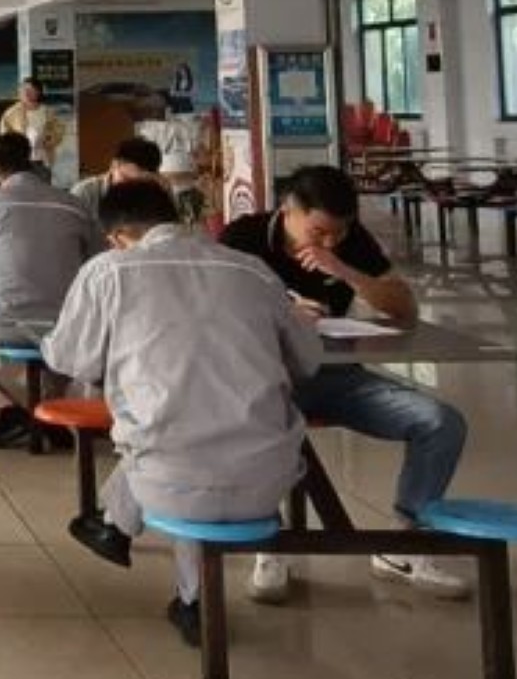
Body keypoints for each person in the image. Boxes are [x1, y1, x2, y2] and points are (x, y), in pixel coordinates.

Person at [44, 181, 321, 645]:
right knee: (191, 420)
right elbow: (307, 362)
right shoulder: (252, 270)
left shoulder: (109, 271)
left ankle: (122, 532)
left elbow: (72, 360)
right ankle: (180, 591)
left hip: (165, 480)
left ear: (116, 236)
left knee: (165, 430)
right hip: (270, 481)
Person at [220, 166, 472, 602]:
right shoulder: (243, 237)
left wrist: (346, 271)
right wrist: (283, 312)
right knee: (258, 429)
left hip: (335, 376)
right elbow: (213, 307)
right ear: (289, 210)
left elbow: (404, 309)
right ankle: (269, 543)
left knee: (440, 422)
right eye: (319, 232)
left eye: (338, 233)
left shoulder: (349, 243)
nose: (330, 241)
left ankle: (405, 543)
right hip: (263, 379)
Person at [0, 138, 101, 448]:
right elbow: (97, 259)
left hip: (2, 323)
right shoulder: (74, 204)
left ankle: (10, 412)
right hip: (67, 325)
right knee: (56, 342)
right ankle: (51, 416)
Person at [68, 137, 164, 215]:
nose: (132, 187)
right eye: (126, 179)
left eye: (140, 183)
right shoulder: (84, 192)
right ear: (114, 165)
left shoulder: (151, 194)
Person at [0, 78, 65, 171]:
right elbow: (4, 136)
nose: (26, 93)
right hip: (20, 160)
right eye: (23, 90)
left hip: (43, 159)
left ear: (38, 92)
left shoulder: (46, 111)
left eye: (30, 90)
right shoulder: (12, 113)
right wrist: (14, 148)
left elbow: (58, 130)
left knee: (42, 179)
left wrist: (49, 140)